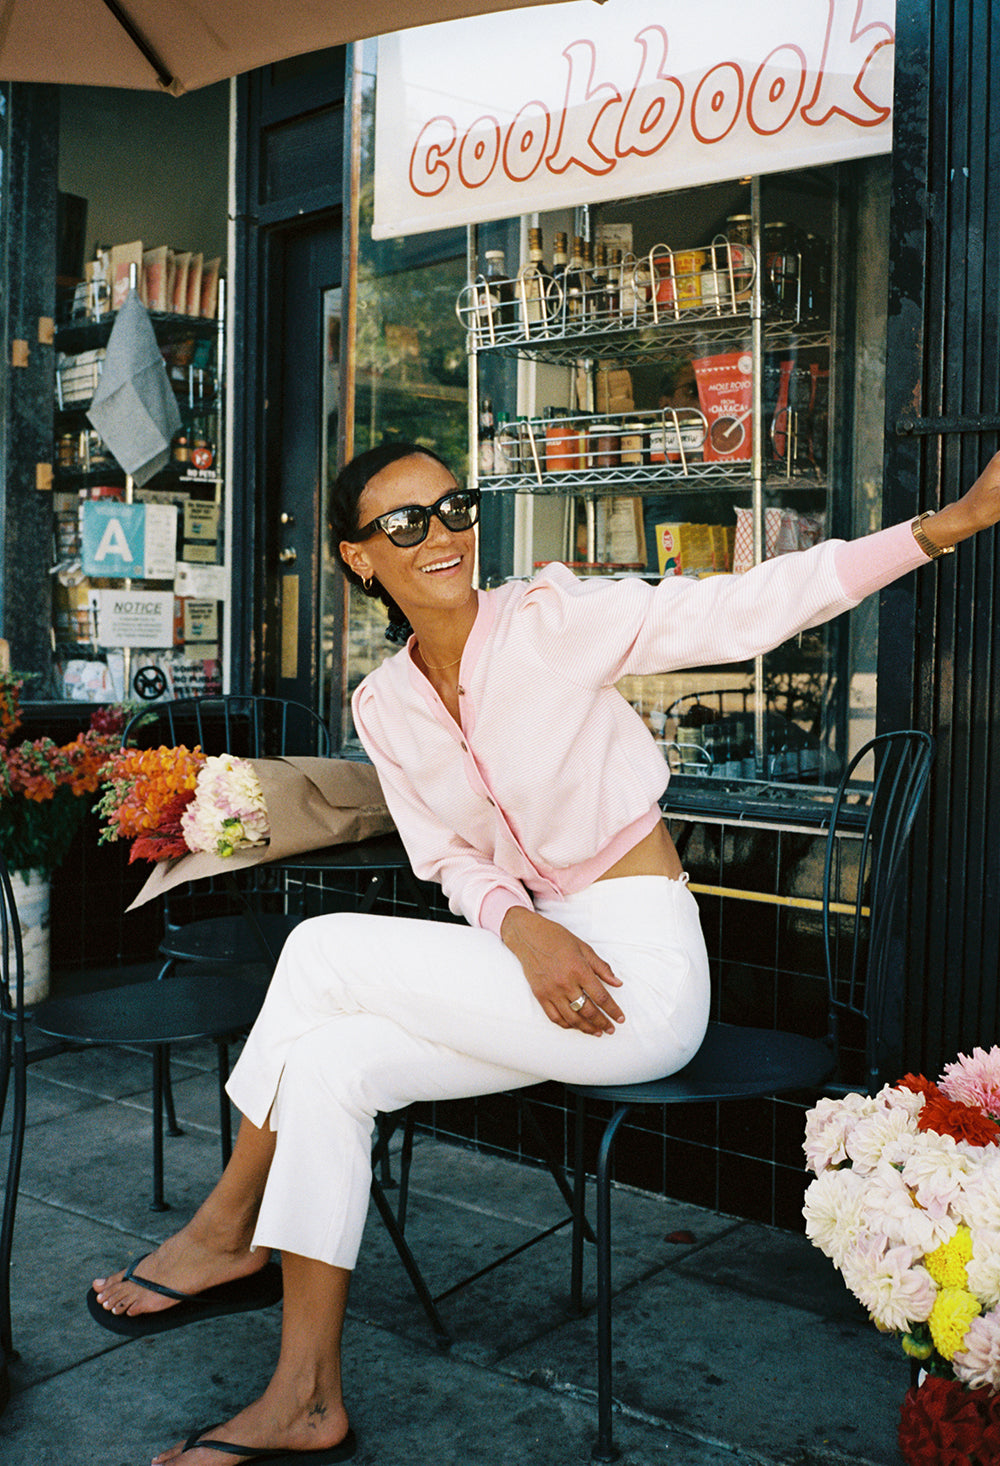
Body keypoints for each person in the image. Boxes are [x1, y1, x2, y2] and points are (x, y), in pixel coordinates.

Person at [89, 441, 1000, 1465]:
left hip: (636, 978)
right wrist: (521, 927)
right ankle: (305, 1394)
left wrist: (944, 525)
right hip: (536, 962)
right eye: (403, 523)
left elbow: (741, 604)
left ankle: (224, 1225)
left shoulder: (548, 620)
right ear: (356, 559)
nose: (439, 534)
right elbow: (445, 855)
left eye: (452, 508)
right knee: (330, 1063)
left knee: (319, 949)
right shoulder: (381, 703)